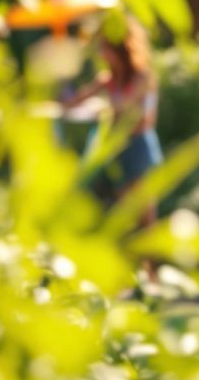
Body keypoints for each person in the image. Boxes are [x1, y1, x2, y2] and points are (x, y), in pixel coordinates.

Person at [65, 18, 162, 227]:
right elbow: (75, 100)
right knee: (124, 215)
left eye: (106, 48)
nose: (102, 54)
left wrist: (102, 108)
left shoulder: (142, 77)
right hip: (118, 147)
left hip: (139, 146)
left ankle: (153, 260)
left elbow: (127, 106)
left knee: (145, 214)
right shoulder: (108, 78)